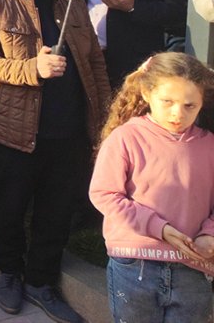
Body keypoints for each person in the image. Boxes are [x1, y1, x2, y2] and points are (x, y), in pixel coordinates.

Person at [0, 0, 112, 322]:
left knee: (57, 209)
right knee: (10, 206)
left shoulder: (70, 1)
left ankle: (42, 280)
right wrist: (34, 67)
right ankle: (10, 272)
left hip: (67, 128)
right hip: (14, 128)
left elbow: (94, 61)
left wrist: (103, 118)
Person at [90, 52, 214, 323]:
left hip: (193, 266)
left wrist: (209, 234)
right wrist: (160, 228)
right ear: (147, 92)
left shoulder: (209, 145)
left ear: (202, 102)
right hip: (134, 263)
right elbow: (104, 193)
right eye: (167, 101)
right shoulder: (125, 138)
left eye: (189, 105)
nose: (177, 113)